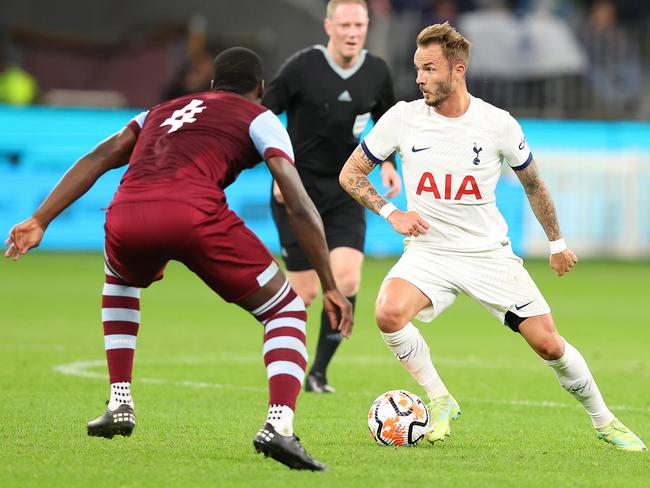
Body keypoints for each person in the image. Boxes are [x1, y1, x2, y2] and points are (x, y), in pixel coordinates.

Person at [4, 47, 353, 470]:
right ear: (260, 90)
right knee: (285, 309)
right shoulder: (259, 117)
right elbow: (296, 201)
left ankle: (120, 402)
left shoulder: (160, 110)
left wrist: (40, 219)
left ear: (210, 86)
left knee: (119, 279)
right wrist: (330, 285)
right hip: (192, 212)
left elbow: (99, 157)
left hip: (127, 210)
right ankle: (278, 425)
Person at [339, 23, 646, 452]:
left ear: (458, 70)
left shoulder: (497, 124)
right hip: (430, 251)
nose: (419, 78)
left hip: (488, 255)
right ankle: (441, 398)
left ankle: (605, 420)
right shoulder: (402, 118)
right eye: (417, 69)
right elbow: (351, 173)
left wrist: (557, 244)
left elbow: (534, 185)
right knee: (388, 312)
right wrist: (391, 212)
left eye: (429, 69)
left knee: (549, 344)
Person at [263, 0, 401, 393]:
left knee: (346, 278)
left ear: (367, 26)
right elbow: (263, 115)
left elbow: (387, 120)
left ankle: (319, 373)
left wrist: (389, 165)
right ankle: (282, 360)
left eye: (359, 24)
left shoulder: (376, 71)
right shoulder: (301, 67)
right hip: (297, 190)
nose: (352, 32)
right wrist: (279, 168)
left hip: (346, 187)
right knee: (304, 292)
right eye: (345, 25)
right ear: (328, 26)